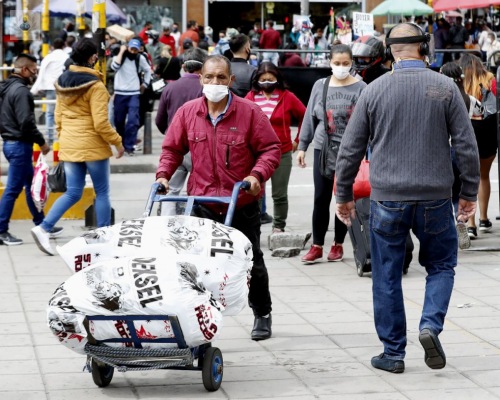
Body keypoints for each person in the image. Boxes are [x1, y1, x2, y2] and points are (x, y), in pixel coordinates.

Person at [335, 23, 480, 374]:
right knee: (442, 265)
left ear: (389, 52)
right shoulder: (446, 87)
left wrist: (343, 195)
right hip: (435, 198)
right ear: (424, 48)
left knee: (386, 274)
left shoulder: (373, 90)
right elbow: (466, 146)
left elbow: (350, 149)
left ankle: (393, 353)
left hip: (387, 200)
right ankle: (430, 324)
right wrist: (469, 193)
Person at [156, 55, 281, 340]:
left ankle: (262, 312)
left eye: (221, 78)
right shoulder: (188, 112)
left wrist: (255, 176)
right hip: (201, 204)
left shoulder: (249, 112)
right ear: (200, 79)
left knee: (251, 262)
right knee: (196, 265)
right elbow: (172, 149)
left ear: (230, 80)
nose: (215, 83)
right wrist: (163, 175)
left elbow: (270, 149)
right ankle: (198, 316)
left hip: (241, 202)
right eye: (209, 77)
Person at [31, 39, 124, 255]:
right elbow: (101, 123)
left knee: (72, 192)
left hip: (70, 144)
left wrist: (65, 140)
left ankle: (44, 228)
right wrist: (117, 142)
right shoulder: (96, 86)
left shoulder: (62, 82)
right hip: (92, 146)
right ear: (93, 58)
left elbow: (58, 118)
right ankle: (103, 237)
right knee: (102, 192)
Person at [297, 44, 366, 263]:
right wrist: (302, 146)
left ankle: (338, 244)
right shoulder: (321, 85)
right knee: (321, 197)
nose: (341, 67)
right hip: (323, 148)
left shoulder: (361, 87)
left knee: (344, 196)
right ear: (329, 63)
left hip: (351, 151)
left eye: (345, 63)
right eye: (337, 63)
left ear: (352, 63)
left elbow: (368, 121)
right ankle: (317, 245)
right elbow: (310, 117)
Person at [0, 54, 58, 246]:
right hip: (19, 146)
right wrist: (41, 142)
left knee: (30, 185)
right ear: (24, 70)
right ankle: (1, 230)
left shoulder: (6, 88)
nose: (35, 74)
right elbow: (26, 122)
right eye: (34, 70)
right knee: (13, 190)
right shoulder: (22, 92)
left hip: (11, 144)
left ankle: (42, 223)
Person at [245, 62, 305, 233]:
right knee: (254, 192)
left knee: (279, 194)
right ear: (257, 80)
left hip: (282, 152)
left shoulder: (287, 97)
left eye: (270, 79)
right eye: (263, 79)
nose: (266, 82)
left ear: (277, 79)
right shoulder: (250, 97)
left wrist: (298, 140)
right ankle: (253, 225)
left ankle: (278, 227)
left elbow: (305, 116)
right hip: (256, 153)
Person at [155, 48, 206, 215]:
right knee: (201, 190)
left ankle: (166, 227)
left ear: (184, 67)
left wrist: (170, 135)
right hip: (199, 147)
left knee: (170, 191)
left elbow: (159, 120)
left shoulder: (170, 88)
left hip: (174, 148)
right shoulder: (204, 88)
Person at [458, 54, 497, 238]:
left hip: (468, 131)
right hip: (488, 131)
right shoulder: (490, 79)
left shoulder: (460, 82)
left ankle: (471, 225)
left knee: (469, 178)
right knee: (484, 176)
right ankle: (483, 219)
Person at [111, 39, 151, 156]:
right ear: (127, 47)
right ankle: (122, 143)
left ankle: (129, 146)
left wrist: (145, 84)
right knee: (118, 121)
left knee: (133, 120)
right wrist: (121, 51)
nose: (133, 52)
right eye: (131, 49)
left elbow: (148, 70)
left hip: (134, 93)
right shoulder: (120, 56)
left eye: (136, 50)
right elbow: (114, 66)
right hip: (120, 93)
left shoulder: (140, 58)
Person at [30, 38, 69, 145]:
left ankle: (50, 138)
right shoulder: (66, 57)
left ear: (52, 47)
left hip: (50, 88)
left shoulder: (48, 57)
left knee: (50, 114)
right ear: (63, 45)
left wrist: (36, 88)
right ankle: (63, 139)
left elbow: (41, 72)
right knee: (64, 113)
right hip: (64, 88)